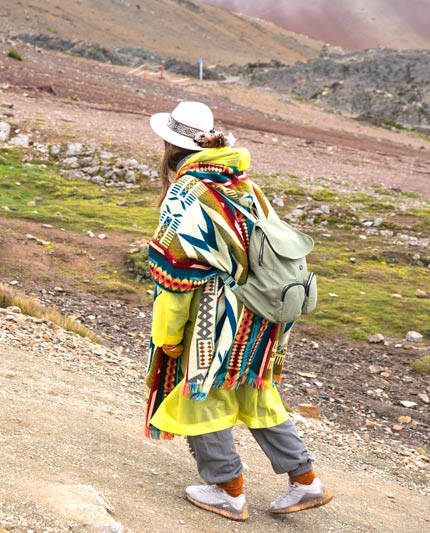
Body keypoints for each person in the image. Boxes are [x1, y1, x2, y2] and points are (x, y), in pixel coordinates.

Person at [144, 101, 333, 522]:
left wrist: (168, 335)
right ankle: (306, 481)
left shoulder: (187, 192)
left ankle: (227, 489)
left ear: (170, 147)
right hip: (265, 311)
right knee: (254, 388)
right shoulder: (245, 185)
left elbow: (174, 276)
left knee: (201, 390)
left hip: (218, 313)